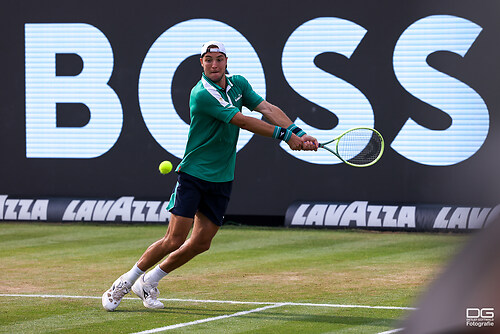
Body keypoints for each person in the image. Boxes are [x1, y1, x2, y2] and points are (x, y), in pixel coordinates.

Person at [102, 41, 318, 311]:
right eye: (208, 60)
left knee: (201, 242)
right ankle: (123, 282)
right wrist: (285, 136)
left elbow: (267, 109)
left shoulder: (238, 83)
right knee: (174, 239)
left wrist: (297, 131)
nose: (214, 64)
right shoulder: (201, 93)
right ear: (201, 63)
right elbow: (241, 120)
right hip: (194, 174)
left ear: (226, 61)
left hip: (222, 176)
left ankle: (148, 282)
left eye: (218, 59)